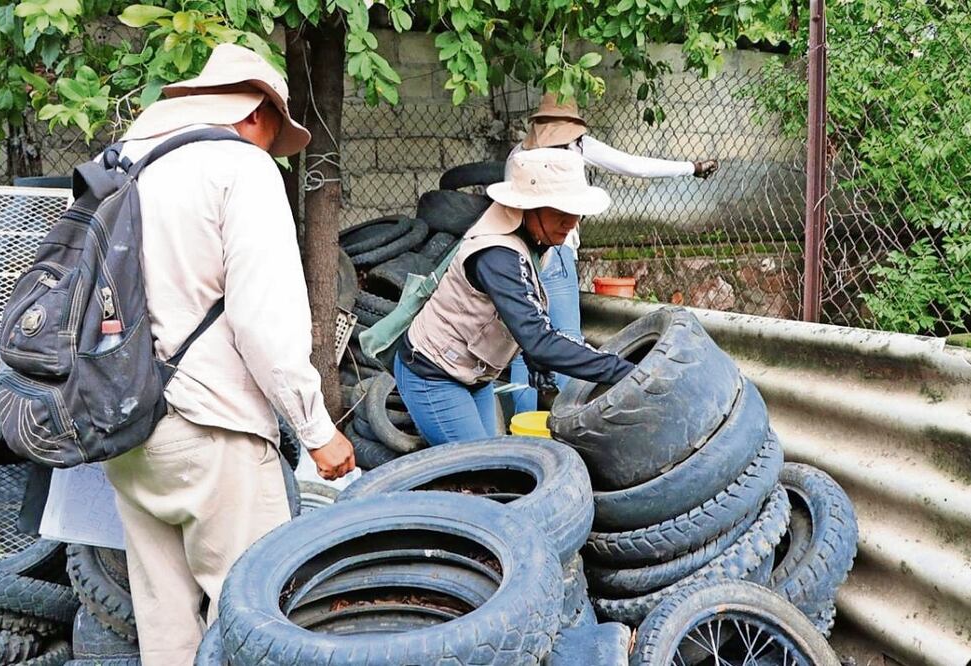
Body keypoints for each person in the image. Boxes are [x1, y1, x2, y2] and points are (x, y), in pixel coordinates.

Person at [100, 44, 355, 665]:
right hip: (212, 426)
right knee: (255, 617)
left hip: (123, 422)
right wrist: (316, 429)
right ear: (258, 113)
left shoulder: (119, 165)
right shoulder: (240, 168)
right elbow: (264, 320)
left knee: (165, 623)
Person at [394, 148, 636, 446]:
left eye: (576, 212)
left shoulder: (531, 237)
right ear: (527, 206)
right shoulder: (497, 255)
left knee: (492, 466)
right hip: (433, 373)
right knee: (479, 472)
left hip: (473, 373)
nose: (571, 223)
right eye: (561, 212)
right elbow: (539, 338)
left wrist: (537, 362)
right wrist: (626, 372)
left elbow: (524, 312)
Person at [506, 92, 719, 413]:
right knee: (566, 340)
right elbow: (634, 166)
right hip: (557, 254)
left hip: (520, 255)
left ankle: (520, 426)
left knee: (525, 344)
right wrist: (691, 167)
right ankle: (571, 421)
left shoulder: (517, 155)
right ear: (572, 127)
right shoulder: (575, 150)